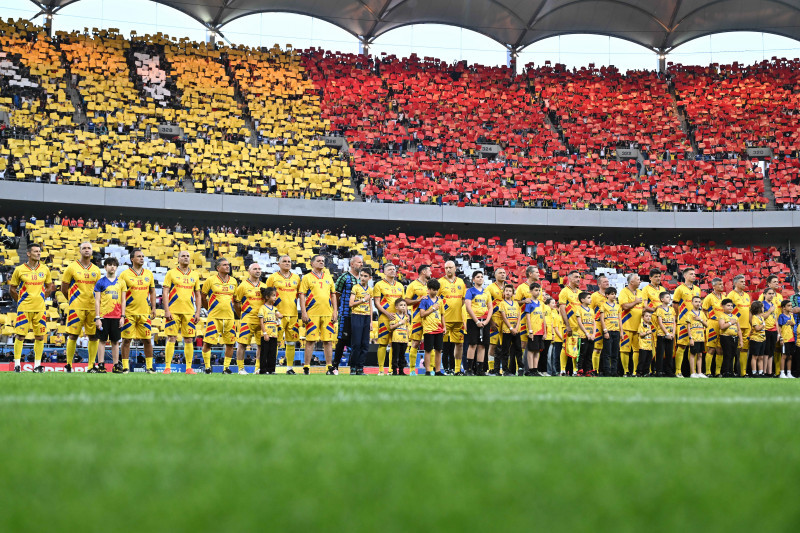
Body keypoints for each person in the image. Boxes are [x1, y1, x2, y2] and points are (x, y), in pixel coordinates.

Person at [9, 243, 54, 372]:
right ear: (28, 253)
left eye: (39, 251)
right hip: (24, 308)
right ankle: (17, 364)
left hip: (40, 308)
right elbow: (12, 288)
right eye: (35, 251)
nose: (38, 253)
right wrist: (20, 301)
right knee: (20, 336)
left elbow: (50, 286)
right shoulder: (19, 269)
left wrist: (41, 298)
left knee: (40, 337)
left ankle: (37, 365)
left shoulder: (45, 269)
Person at [62, 242, 102, 372]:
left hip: (92, 307)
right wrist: (72, 299)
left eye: (89, 248)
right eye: (84, 248)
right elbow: (64, 287)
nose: (86, 250)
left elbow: (98, 290)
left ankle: (91, 366)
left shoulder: (96, 269)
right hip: (76, 306)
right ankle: (69, 364)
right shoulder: (71, 267)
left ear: (91, 251)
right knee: (73, 335)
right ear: (80, 251)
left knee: (93, 336)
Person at [162, 250, 201, 374]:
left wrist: (198, 312)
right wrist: (166, 310)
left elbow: (198, 295)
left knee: (189, 339)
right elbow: (165, 292)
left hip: (189, 312)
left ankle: (189, 368)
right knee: (171, 337)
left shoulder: (195, 275)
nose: (186, 258)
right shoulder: (171, 273)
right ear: (178, 259)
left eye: (188, 256)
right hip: (173, 311)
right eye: (183, 256)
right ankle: (167, 367)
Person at [299, 254, 338, 375]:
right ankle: (306, 367)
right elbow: (302, 295)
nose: (321, 262)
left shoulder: (328, 277)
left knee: (328, 341)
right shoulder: (307, 278)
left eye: (323, 261)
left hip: (327, 314)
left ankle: (329, 367)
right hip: (312, 314)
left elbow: (333, 295)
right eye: (319, 261)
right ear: (312, 263)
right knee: (310, 341)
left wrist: (335, 311)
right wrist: (304, 312)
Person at [120, 249, 157, 373]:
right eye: (139, 256)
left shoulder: (149, 274)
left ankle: (149, 367)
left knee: (147, 340)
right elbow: (120, 293)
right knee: (126, 340)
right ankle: (125, 367)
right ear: (132, 259)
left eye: (143, 256)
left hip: (144, 312)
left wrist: (153, 307)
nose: (142, 258)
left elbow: (152, 291)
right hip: (129, 312)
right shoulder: (124, 274)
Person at [201, 258, 238, 374]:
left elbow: (236, 299)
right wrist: (209, 309)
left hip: (229, 317)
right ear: (218, 268)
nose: (228, 267)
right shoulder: (210, 280)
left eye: (228, 265)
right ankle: (207, 367)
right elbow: (203, 297)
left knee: (230, 343)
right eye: (224, 265)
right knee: (208, 342)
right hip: (214, 317)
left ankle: (226, 368)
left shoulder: (234, 281)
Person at [265, 255, 300, 374]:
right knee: (274, 342)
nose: (287, 263)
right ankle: (271, 368)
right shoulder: (272, 278)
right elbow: (266, 296)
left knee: (291, 342)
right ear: (279, 264)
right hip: (277, 315)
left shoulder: (296, 278)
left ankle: (289, 368)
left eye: (289, 261)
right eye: (284, 261)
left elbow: (301, 295)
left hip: (293, 315)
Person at [93, 257, 126, 373]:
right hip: (103, 316)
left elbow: (123, 301)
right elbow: (97, 301)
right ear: (105, 267)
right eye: (109, 264)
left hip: (116, 316)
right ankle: (101, 365)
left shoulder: (121, 282)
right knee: (102, 341)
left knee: (115, 342)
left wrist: (123, 316)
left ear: (117, 267)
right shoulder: (100, 282)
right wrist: (97, 317)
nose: (112, 267)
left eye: (114, 265)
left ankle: (116, 365)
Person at [233, 263, 265, 375]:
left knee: (261, 345)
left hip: (261, 320)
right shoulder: (243, 286)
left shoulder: (264, 286)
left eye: (259, 269)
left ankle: (258, 368)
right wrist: (242, 314)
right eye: (255, 269)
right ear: (249, 271)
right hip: (248, 319)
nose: (258, 271)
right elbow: (236, 302)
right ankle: (241, 369)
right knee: (242, 344)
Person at [373, 263, 404, 375]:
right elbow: (377, 303)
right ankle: (381, 369)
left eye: (394, 269)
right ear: (384, 272)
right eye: (390, 269)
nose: (392, 271)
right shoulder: (379, 285)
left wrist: (404, 315)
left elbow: (402, 303)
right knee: (382, 343)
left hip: (397, 319)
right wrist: (386, 313)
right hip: (384, 318)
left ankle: (391, 369)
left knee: (395, 344)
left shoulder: (400, 285)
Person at [333, 255, 362, 373]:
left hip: (359, 314)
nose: (361, 264)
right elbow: (336, 294)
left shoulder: (362, 278)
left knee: (356, 341)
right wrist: (338, 309)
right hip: (346, 314)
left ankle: (354, 367)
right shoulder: (344, 277)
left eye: (362, 263)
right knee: (342, 340)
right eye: (359, 262)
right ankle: (335, 366)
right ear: (352, 264)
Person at [439, 260, 467, 375]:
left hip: (458, 319)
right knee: (444, 346)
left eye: (450, 267)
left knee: (459, 344)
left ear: (455, 268)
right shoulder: (440, 282)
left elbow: (464, 299)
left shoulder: (461, 282)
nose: (448, 270)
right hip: (444, 319)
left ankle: (456, 369)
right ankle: (443, 368)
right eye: (446, 268)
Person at [672, 267, 702, 375]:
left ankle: (692, 372)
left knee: (693, 348)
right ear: (685, 276)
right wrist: (676, 318)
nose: (694, 275)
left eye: (694, 274)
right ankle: (678, 371)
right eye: (691, 274)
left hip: (695, 323)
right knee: (682, 346)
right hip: (683, 321)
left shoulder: (697, 289)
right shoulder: (679, 289)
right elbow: (675, 304)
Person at [403, 264, 431, 375]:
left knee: (430, 344)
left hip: (430, 319)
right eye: (429, 270)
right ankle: (412, 370)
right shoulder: (413, 285)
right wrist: (419, 300)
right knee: (415, 343)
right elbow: (406, 300)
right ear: (423, 272)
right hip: (417, 317)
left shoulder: (431, 285)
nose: (431, 273)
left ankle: (431, 369)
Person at [465, 270, 491, 376]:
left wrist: (486, 321)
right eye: (478, 277)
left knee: (482, 345)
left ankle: (480, 370)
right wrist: (476, 321)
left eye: (481, 276)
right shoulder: (470, 291)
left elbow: (490, 308)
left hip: (484, 321)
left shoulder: (487, 292)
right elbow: (468, 307)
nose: (480, 278)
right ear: (473, 279)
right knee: (472, 344)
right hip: (473, 321)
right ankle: (469, 369)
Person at [618, 273, 644, 376]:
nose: (640, 281)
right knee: (625, 349)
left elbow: (642, 308)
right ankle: (625, 371)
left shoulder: (640, 292)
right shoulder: (623, 292)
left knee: (637, 350)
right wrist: (635, 302)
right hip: (626, 325)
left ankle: (635, 372)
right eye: (638, 279)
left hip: (638, 326)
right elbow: (624, 306)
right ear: (631, 282)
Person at [348, 267, 373, 375]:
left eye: (365, 276)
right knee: (356, 344)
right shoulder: (356, 287)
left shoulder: (370, 289)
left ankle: (360, 368)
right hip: (357, 316)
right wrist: (363, 300)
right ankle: (353, 367)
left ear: (370, 278)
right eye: (361, 275)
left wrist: (371, 321)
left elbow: (370, 305)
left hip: (366, 317)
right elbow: (351, 304)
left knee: (365, 344)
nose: (362, 278)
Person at [419, 279, 445, 376]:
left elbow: (442, 315)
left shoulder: (440, 301)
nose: (435, 291)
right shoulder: (425, 300)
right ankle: (428, 370)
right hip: (428, 329)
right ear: (428, 289)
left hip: (438, 328)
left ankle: (438, 370)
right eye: (433, 289)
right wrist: (432, 309)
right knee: (428, 350)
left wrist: (444, 326)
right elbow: (422, 314)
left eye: (436, 290)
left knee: (439, 350)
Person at [727, 275, 751, 376]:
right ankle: (731, 372)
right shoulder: (731, 295)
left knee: (744, 349)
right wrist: (737, 317)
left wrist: (751, 323)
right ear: (735, 283)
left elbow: (749, 310)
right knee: (733, 350)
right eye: (741, 281)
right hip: (735, 326)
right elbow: (728, 309)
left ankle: (743, 372)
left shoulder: (746, 295)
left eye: (744, 281)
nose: (744, 283)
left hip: (746, 326)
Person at [558, 271, 582, 373]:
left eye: (579, 277)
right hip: (568, 325)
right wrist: (567, 325)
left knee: (576, 347)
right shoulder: (564, 291)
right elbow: (562, 309)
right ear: (570, 279)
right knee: (565, 346)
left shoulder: (580, 293)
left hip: (579, 326)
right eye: (576, 277)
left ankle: (575, 370)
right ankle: (563, 370)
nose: (578, 279)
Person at [702, 277, 726, 377]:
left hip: (723, 324)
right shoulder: (709, 297)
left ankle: (718, 372)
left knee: (720, 349)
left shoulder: (724, 297)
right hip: (712, 324)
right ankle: (708, 372)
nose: (722, 286)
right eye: (720, 284)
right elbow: (703, 310)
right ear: (714, 286)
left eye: (722, 284)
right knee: (711, 348)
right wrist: (706, 321)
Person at [485, 267, 506, 374]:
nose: (503, 275)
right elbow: (487, 306)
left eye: (504, 273)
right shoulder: (490, 288)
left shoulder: (508, 287)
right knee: (492, 345)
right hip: (495, 319)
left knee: (505, 345)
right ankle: (491, 368)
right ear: (495, 275)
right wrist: (491, 321)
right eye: (500, 273)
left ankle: (503, 368)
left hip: (506, 320)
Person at [524, 283, 547, 376]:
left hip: (540, 331)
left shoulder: (541, 304)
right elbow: (528, 318)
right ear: (530, 291)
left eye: (539, 290)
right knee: (531, 350)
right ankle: (530, 369)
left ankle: (535, 369)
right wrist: (530, 331)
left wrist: (545, 332)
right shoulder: (529, 303)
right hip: (533, 330)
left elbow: (543, 319)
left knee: (537, 350)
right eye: (535, 290)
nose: (538, 292)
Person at [499, 284, 522, 376]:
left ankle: (520, 367)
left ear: (513, 293)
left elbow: (519, 316)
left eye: (510, 291)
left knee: (518, 349)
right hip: (507, 330)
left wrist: (516, 328)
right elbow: (504, 317)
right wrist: (511, 328)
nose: (508, 292)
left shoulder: (516, 303)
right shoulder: (502, 303)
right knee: (505, 350)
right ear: (504, 292)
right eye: (506, 291)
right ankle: (505, 370)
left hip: (516, 330)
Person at [682, 296, 707, 378]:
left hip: (701, 337)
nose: (698, 303)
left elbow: (706, 325)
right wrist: (690, 338)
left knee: (700, 355)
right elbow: (688, 327)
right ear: (692, 303)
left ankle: (699, 373)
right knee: (692, 354)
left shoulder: (702, 314)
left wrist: (700, 319)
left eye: (699, 302)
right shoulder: (690, 313)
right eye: (696, 301)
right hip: (694, 337)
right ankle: (693, 373)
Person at [258, 287, 281, 374]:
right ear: (267, 297)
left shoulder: (274, 308)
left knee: (272, 353)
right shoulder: (262, 308)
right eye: (273, 296)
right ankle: (263, 370)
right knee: (264, 353)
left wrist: (279, 315)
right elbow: (261, 322)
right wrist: (264, 333)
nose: (275, 297)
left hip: (274, 334)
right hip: (266, 334)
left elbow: (280, 315)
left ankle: (272, 369)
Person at [590, 274, 609, 374]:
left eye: (607, 281)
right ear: (599, 284)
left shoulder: (610, 295)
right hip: (597, 324)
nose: (607, 283)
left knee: (606, 350)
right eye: (604, 282)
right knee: (597, 348)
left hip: (609, 324)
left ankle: (604, 370)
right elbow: (590, 310)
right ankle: (595, 370)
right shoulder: (594, 296)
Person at [718, 298, 743, 377]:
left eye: (731, 306)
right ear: (723, 307)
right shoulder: (722, 316)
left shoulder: (735, 317)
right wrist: (730, 322)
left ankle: (731, 371)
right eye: (728, 305)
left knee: (733, 355)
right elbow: (722, 326)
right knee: (727, 354)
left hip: (734, 337)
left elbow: (739, 330)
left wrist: (741, 340)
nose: (730, 307)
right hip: (725, 337)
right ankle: (725, 372)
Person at [599, 286, 620, 377]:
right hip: (608, 331)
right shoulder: (603, 305)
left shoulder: (618, 306)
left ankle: (614, 371)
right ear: (607, 295)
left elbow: (619, 320)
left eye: (615, 294)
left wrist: (621, 332)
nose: (614, 296)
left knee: (615, 353)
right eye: (612, 294)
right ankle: (607, 371)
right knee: (607, 353)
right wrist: (605, 331)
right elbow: (602, 319)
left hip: (616, 331)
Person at [760, 287, 779, 378]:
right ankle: (764, 371)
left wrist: (778, 332)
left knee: (771, 352)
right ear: (764, 294)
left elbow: (775, 319)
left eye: (772, 294)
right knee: (766, 351)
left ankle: (770, 371)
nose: (771, 295)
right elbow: (761, 317)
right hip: (766, 330)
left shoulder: (773, 305)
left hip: (774, 330)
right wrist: (770, 311)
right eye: (769, 293)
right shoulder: (762, 304)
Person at [576, 291, 595, 376]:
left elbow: (594, 323)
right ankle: (579, 369)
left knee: (589, 354)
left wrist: (593, 334)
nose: (590, 299)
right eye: (588, 298)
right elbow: (580, 323)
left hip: (591, 336)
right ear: (582, 300)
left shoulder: (591, 310)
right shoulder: (579, 309)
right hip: (582, 335)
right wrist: (587, 333)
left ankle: (588, 370)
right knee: (582, 354)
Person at [389, 300, 410, 375]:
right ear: (396, 307)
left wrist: (407, 339)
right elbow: (391, 327)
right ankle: (394, 371)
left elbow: (407, 328)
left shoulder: (407, 317)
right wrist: (400, 323)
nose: (403, 307)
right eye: (401, 305)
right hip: (396, 339)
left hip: (404, 339)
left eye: (404, 305)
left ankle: (401, 371)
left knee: (402, 356)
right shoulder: (393, 316)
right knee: (395, 355)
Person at [777, 300, 795, 378]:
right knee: (784, 356)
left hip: (791, 338)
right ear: (784, 308)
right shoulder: (781, 316)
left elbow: (793, 324)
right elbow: (780, 328)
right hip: (785, 339)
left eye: (791, 305)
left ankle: (789, 372)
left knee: (790, 356)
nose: (791, 307)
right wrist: (781, 338)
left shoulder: (791, 316)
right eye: (789, 305)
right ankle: (782, 373)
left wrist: (792, 323)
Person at [749, 301, 766, 377]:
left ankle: (761, 372)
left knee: (761, 357)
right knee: (754, 356)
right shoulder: (755, 317)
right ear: (758, 308)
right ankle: (754, 372)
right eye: (762, 307)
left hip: (762, 339)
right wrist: (763, 325)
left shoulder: (761, 317)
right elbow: (757, 328)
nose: (763, 308)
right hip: (755, 339)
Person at [637, 310, 654, 377]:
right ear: (642, 317)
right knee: (642, 360)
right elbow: (641, 334)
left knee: (648, 360)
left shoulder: (650, 325)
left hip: (649, 346)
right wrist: (648, 332)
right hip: (643, 346)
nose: (648, 317)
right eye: (646, 316)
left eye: (650, 316)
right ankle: (639, 372)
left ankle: (646, 372)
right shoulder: (641, 325)